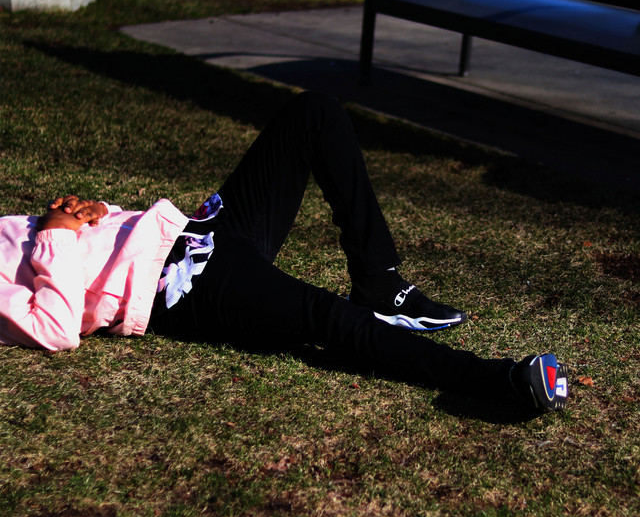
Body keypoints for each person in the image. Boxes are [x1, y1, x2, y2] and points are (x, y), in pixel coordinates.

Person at [0, 92, 568, 412]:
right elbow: (54, 327)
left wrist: (92, 213)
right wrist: (59, 232)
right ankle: (497, 381)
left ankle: (378, 278)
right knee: (325, 316)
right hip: (178, 285)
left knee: (314, 113)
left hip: (191, 231)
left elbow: (60, 247)